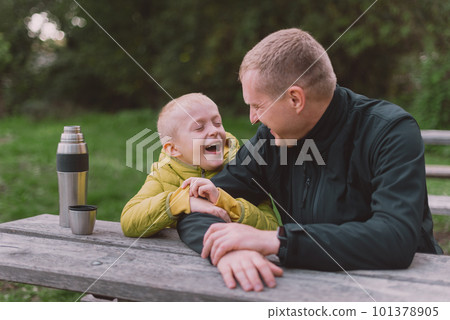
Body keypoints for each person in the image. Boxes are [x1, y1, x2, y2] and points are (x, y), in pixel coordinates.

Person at [176, 29, 443, 292]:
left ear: (295, 98)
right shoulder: (271, 140)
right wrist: (226, 251)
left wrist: (276, 241)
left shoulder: (389, 131)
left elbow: (394, 238)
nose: (252, 118)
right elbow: (195, 206)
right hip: (302, 289)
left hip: (403, 292)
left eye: (257, 105)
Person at [120, 93, 279, 238]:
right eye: (199, 127)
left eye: (217, 123)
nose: (214, 131)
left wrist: (230, 206)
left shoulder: (244, 166)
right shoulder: (164, 174)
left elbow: (272, 229)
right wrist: (181, 202)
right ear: (174, 149)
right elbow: (129, 221)